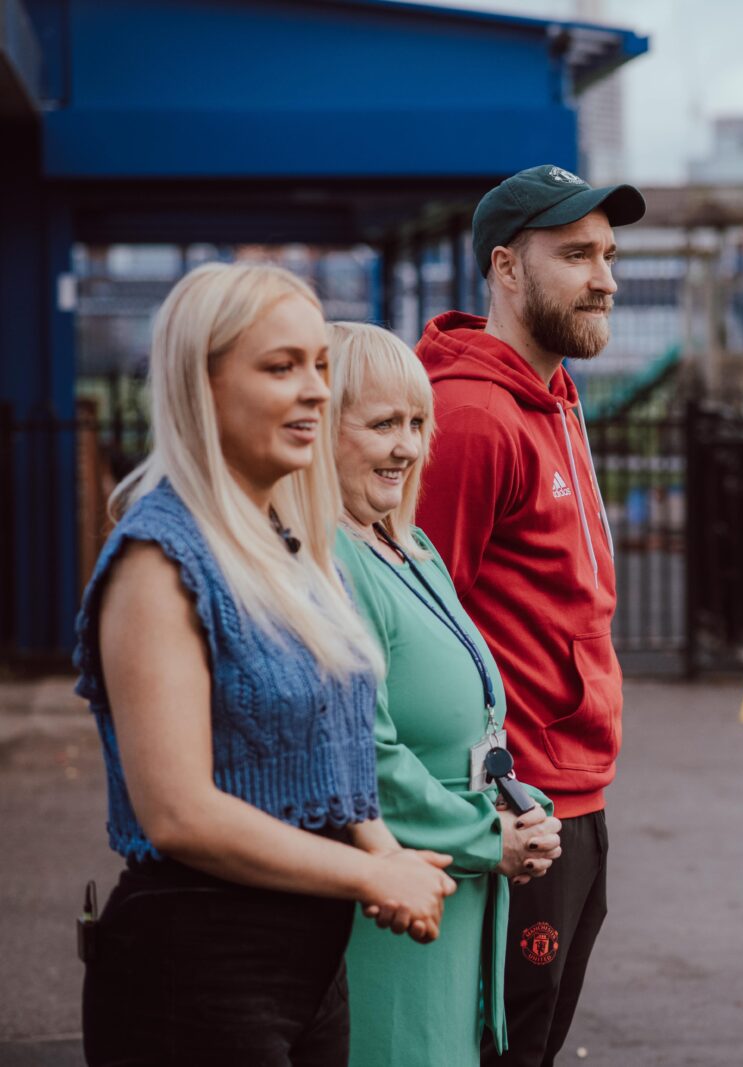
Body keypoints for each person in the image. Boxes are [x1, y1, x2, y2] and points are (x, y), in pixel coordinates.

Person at [75, 263, 457, 1066]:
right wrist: (371, 877)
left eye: (320, 364)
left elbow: (336, 749)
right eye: (281, 367)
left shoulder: (288, 543)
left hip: (309, 969)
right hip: (195, 967)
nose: (317, 390)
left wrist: (383, 849)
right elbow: (178, 813)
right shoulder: (159, 558)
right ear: (201, 385)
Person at [414, 164, 645, 1066]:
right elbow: (419, 618)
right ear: (507, 269)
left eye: (610, 253)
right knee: (497, 1049)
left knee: (534, 1043)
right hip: (517, 804)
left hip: (577, 795)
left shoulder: (555, 397)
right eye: (578, 254)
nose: (607, 277)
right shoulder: (471, 418)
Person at [327, 322, 564, 1065]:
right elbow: (366, 752)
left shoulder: (409, 544)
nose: (407, 446)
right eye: (382, 423)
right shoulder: (334, 560)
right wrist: (488, 835)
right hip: (399, 905)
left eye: (417, 423)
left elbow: (472, 721)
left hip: (459, 898)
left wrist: (519, 807)